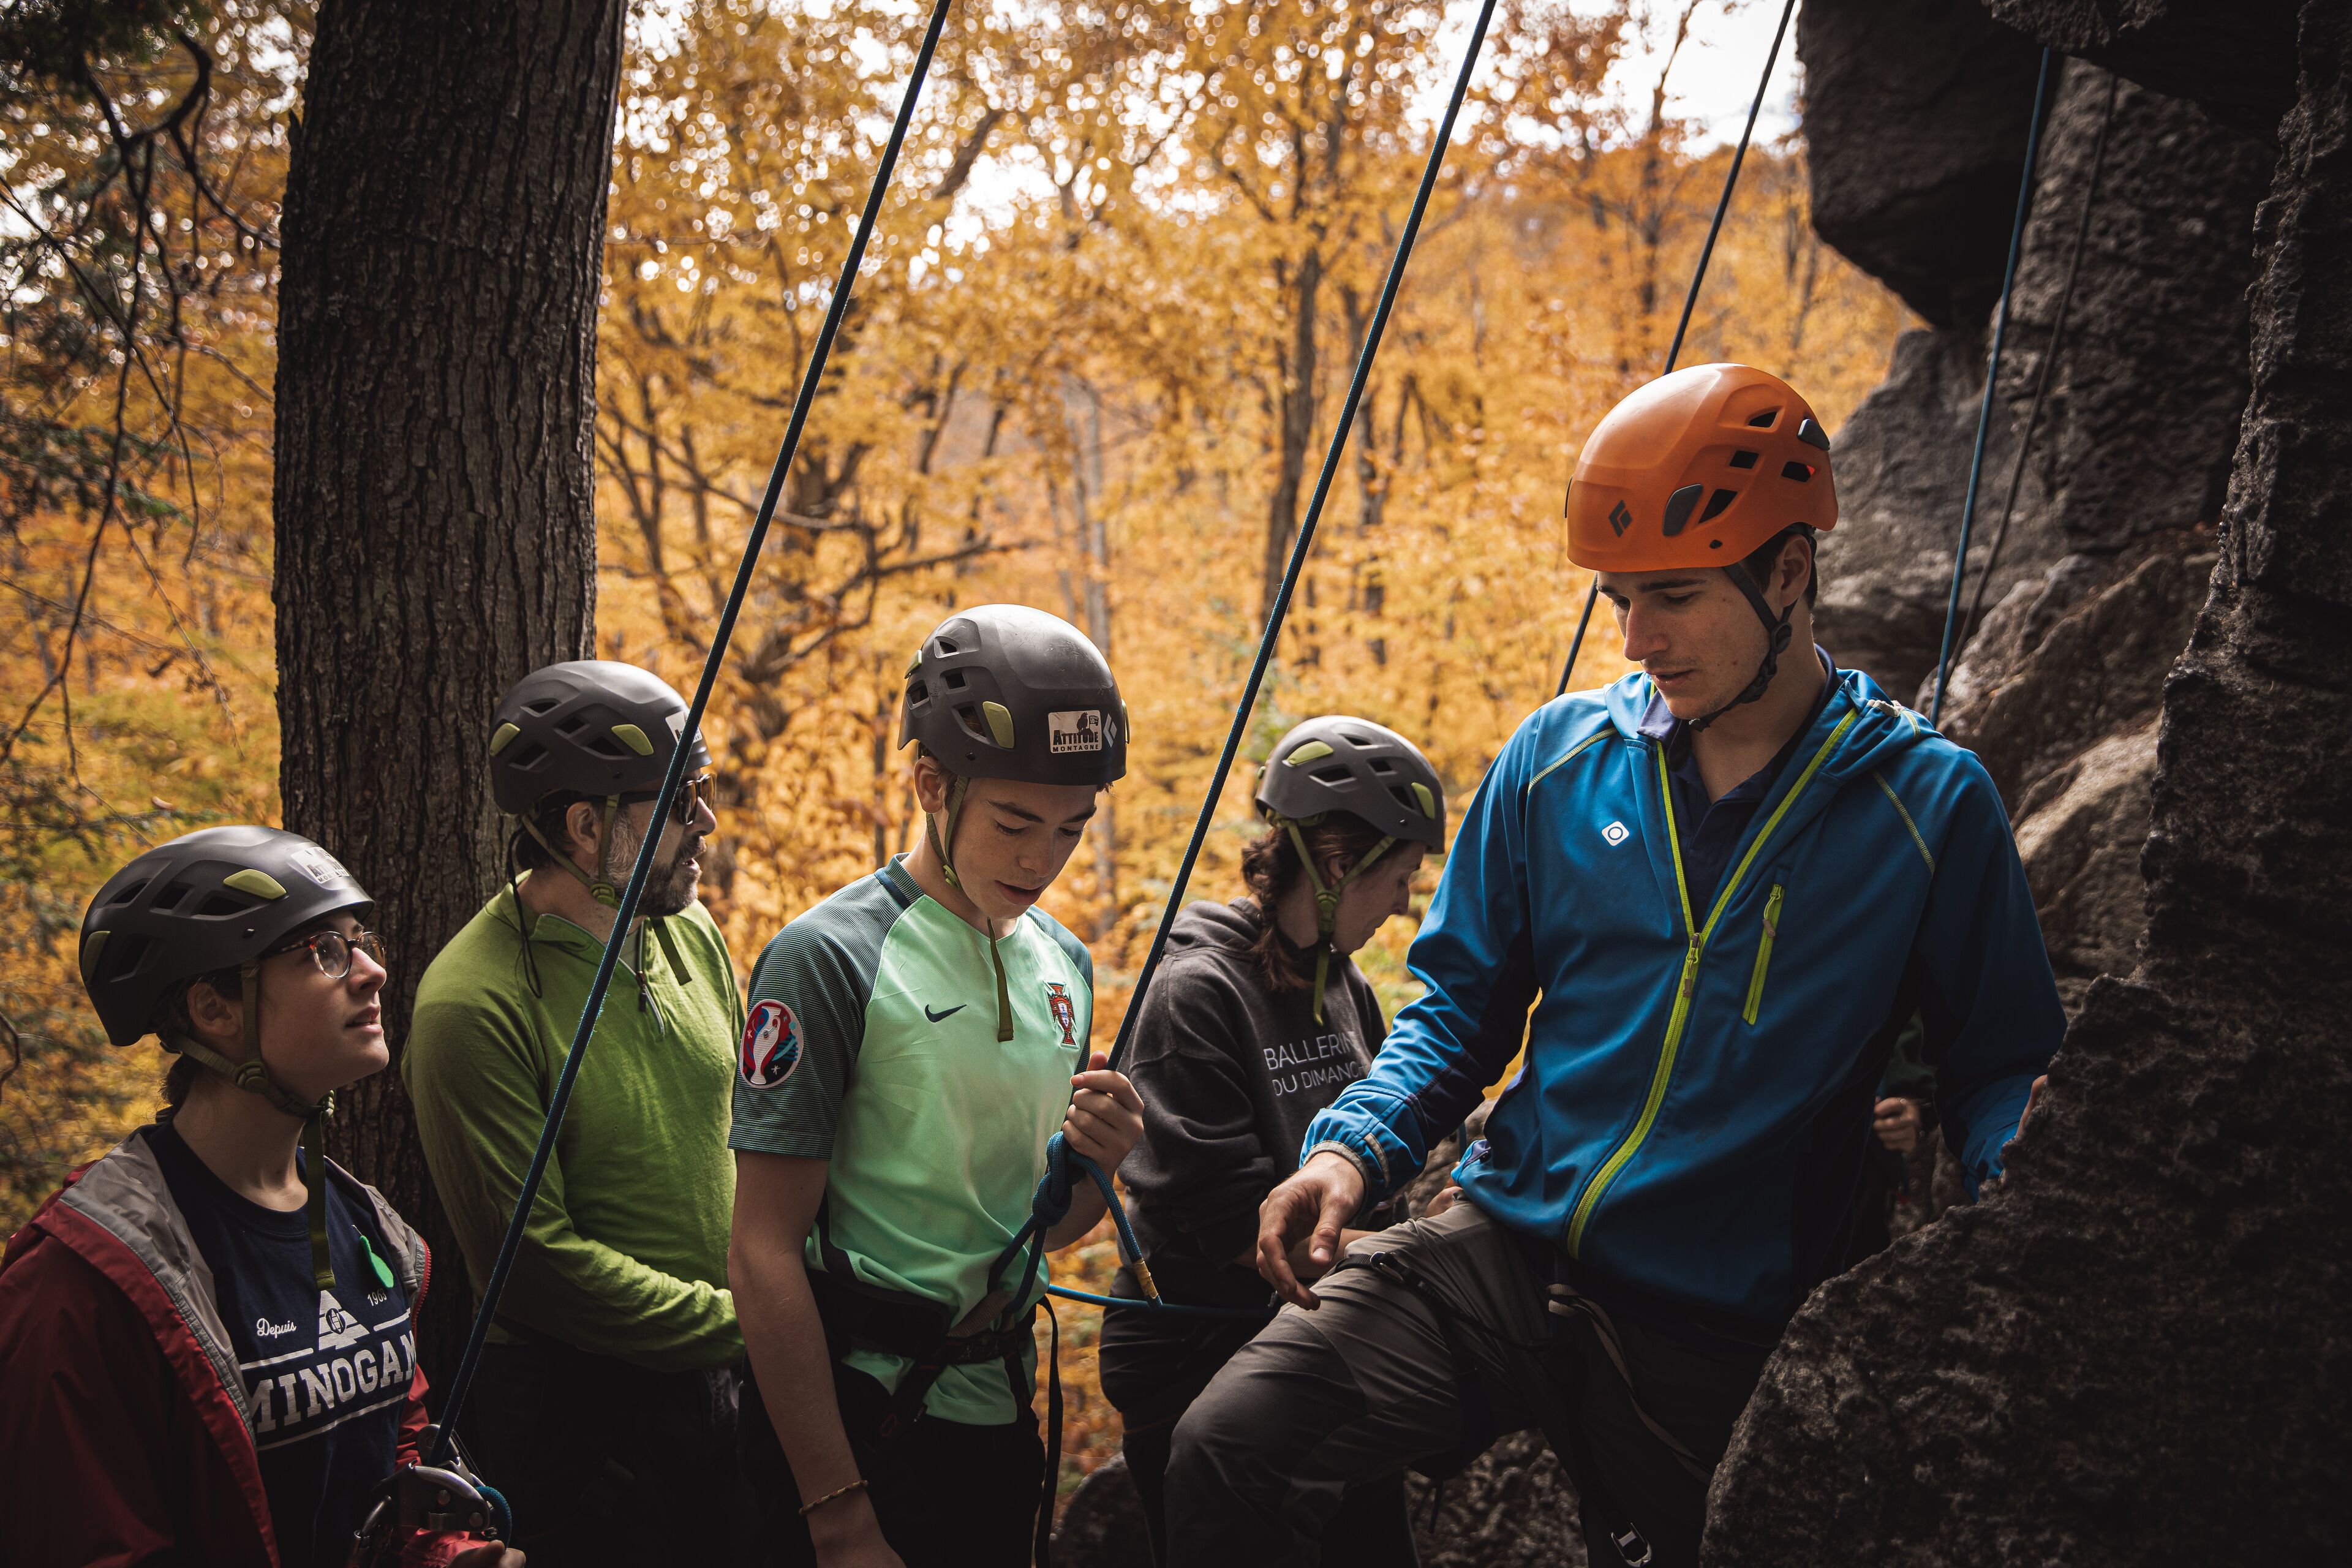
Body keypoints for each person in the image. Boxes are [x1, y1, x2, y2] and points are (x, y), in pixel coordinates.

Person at [1163, 363, 2065, 1568]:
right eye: (1621, 598)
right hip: (1504, 1244)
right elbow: (1458, 1010)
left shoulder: (1927, 808)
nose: (1639, 639)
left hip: (1718, 1315)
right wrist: (1348, 1145)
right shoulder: (1557, 762)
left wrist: (2031, 1150)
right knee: (1230, 1445)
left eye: (1675, 597)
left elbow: (1999, 1058)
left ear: (1788, 572)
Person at [727, 604, 1147, 1568]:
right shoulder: (828, 958)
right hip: (854, 1419)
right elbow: (760, 1253)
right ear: (930, 783)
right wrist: (836, 1513)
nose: (1042, 862)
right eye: (1014, 823)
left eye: (1073, 830)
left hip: (996, 1418)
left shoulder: (1066, 966)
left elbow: (1039, 1223)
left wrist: (1100, 1167)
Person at [0, 826, 518, 1568]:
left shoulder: (370, 1228)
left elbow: (395, 1470)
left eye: (360, 941)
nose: (372, 971)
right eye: (325, 952)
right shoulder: (81, 1286)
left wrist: (444, 1555)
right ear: (214, 1008)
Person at [405, 660, 752, 1563]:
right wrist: (753, 1322)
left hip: (721, 1381)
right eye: (681, 802)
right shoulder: (473, 1005)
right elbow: (535, 1267)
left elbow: (748, 1132)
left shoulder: (688, 930)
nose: (706, 822)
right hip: (582, 1422)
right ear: (586, 827)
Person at [1100, 715, 1447, 1568]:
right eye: (1398, 876)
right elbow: (1231, 1222)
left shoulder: (1341, 983)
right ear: (1336, 866)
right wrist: (1430, 1262)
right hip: (1202, 1363)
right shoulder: (1195, 991)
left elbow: (1369, 1146)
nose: (1405, 901)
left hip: (1318, 1346)